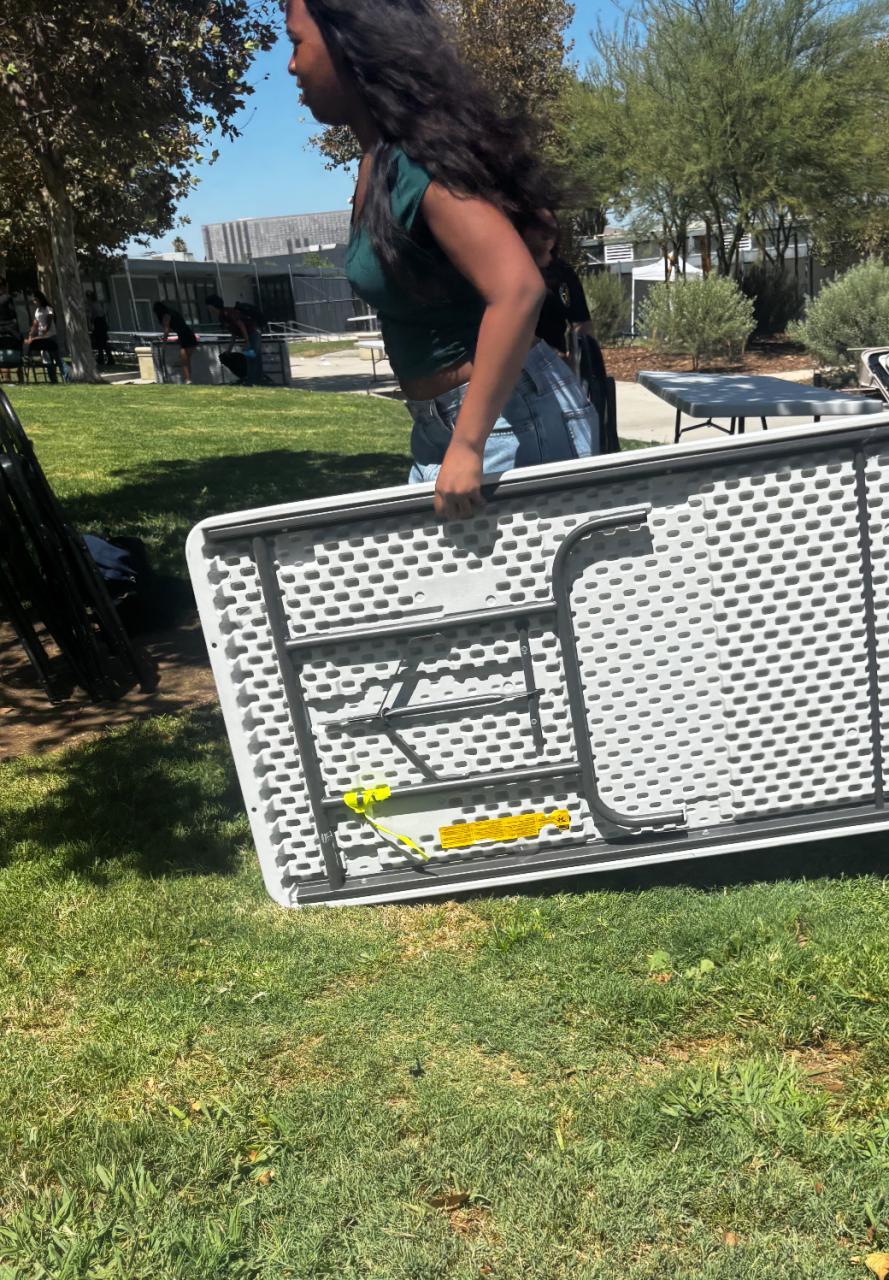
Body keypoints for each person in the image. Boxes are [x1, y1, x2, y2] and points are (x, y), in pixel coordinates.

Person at [285, 0, 599, 520]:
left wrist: (469, 444)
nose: (292, 65)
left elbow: (517, 289)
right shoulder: (381, 162)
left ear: (348, 41)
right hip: (453, 424)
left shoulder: (416, 160)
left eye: (297, 43)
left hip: (506, 425)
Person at [520, 208, 593, 359]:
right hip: (516, 359)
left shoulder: (563, 273)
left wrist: (579, 360)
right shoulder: (508, 271)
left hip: (555, 361)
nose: (547, 234)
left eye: (552, 228)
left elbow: (580, 321)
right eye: (540, 226)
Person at [205, 295, 263, 386]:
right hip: (249, 335)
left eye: (208, 307)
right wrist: (229, 350)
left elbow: (241, 325)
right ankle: (252, 380)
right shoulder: (222, 316)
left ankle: (255, 381)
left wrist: (246, 341)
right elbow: (234, 333)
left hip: (254, 333)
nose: (208, 309)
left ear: (212, 306)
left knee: (253, 357)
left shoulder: (227, 313)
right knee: (250, 357)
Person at [152, 300, 198, 384]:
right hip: (188, 334)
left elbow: (167, 330)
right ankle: (188, 378)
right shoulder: (172, 312)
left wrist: (164, 343)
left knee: (184, 360)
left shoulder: (166, 316)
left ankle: (187, 379)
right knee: (185, 359)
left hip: (185, 335)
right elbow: (179, 325)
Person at [24, 291, 65, 383]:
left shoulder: (48, 309)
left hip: (51, 336)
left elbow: (48, 323)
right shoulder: (37, 311)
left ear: (39, 299)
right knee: (47, 360)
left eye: (35, 300)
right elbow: (35, 324)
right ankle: (53, 380)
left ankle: (66, 378)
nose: (34, 302)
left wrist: (42, 333)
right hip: (42, 337)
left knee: (57, 358)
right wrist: (31, 334)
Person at [0, 278, 22, 385]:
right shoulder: (7, 298)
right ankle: (20, 378)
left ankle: (6, 379)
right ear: (5, 287)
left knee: (2, 355)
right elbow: (13, 314)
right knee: (16, 351)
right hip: (10, 331)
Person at [87, 291, 113, 367]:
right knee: (103, 344)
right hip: (102, 324)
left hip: (98, 325)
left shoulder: (92, 305)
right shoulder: (98, 304)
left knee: (100, 343)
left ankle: (103, 359)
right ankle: (106, 359)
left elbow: (91, 316)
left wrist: (90, 324)